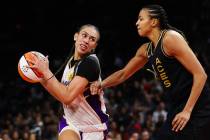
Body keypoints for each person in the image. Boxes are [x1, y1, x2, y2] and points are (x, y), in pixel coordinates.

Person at [90, 5, 210, 140]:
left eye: (141, 19)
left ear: (154, 22)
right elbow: (123, 74)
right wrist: (102, 83)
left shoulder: (170, 38)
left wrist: (187, 111)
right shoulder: (146, 50)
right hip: (177, 105)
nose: (137, 23)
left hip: (197, 105)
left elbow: (201, 75)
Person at [29, 24, 109, 140]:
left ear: (94, 46)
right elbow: (60, 93)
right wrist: (41, 78)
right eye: (84, 35)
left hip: (93, 128)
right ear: (76, 37)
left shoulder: (90, 63)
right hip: (70, 122)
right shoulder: (71, 61)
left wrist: (46, 71)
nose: (86, 41)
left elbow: (67, 96)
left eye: (92, 39)